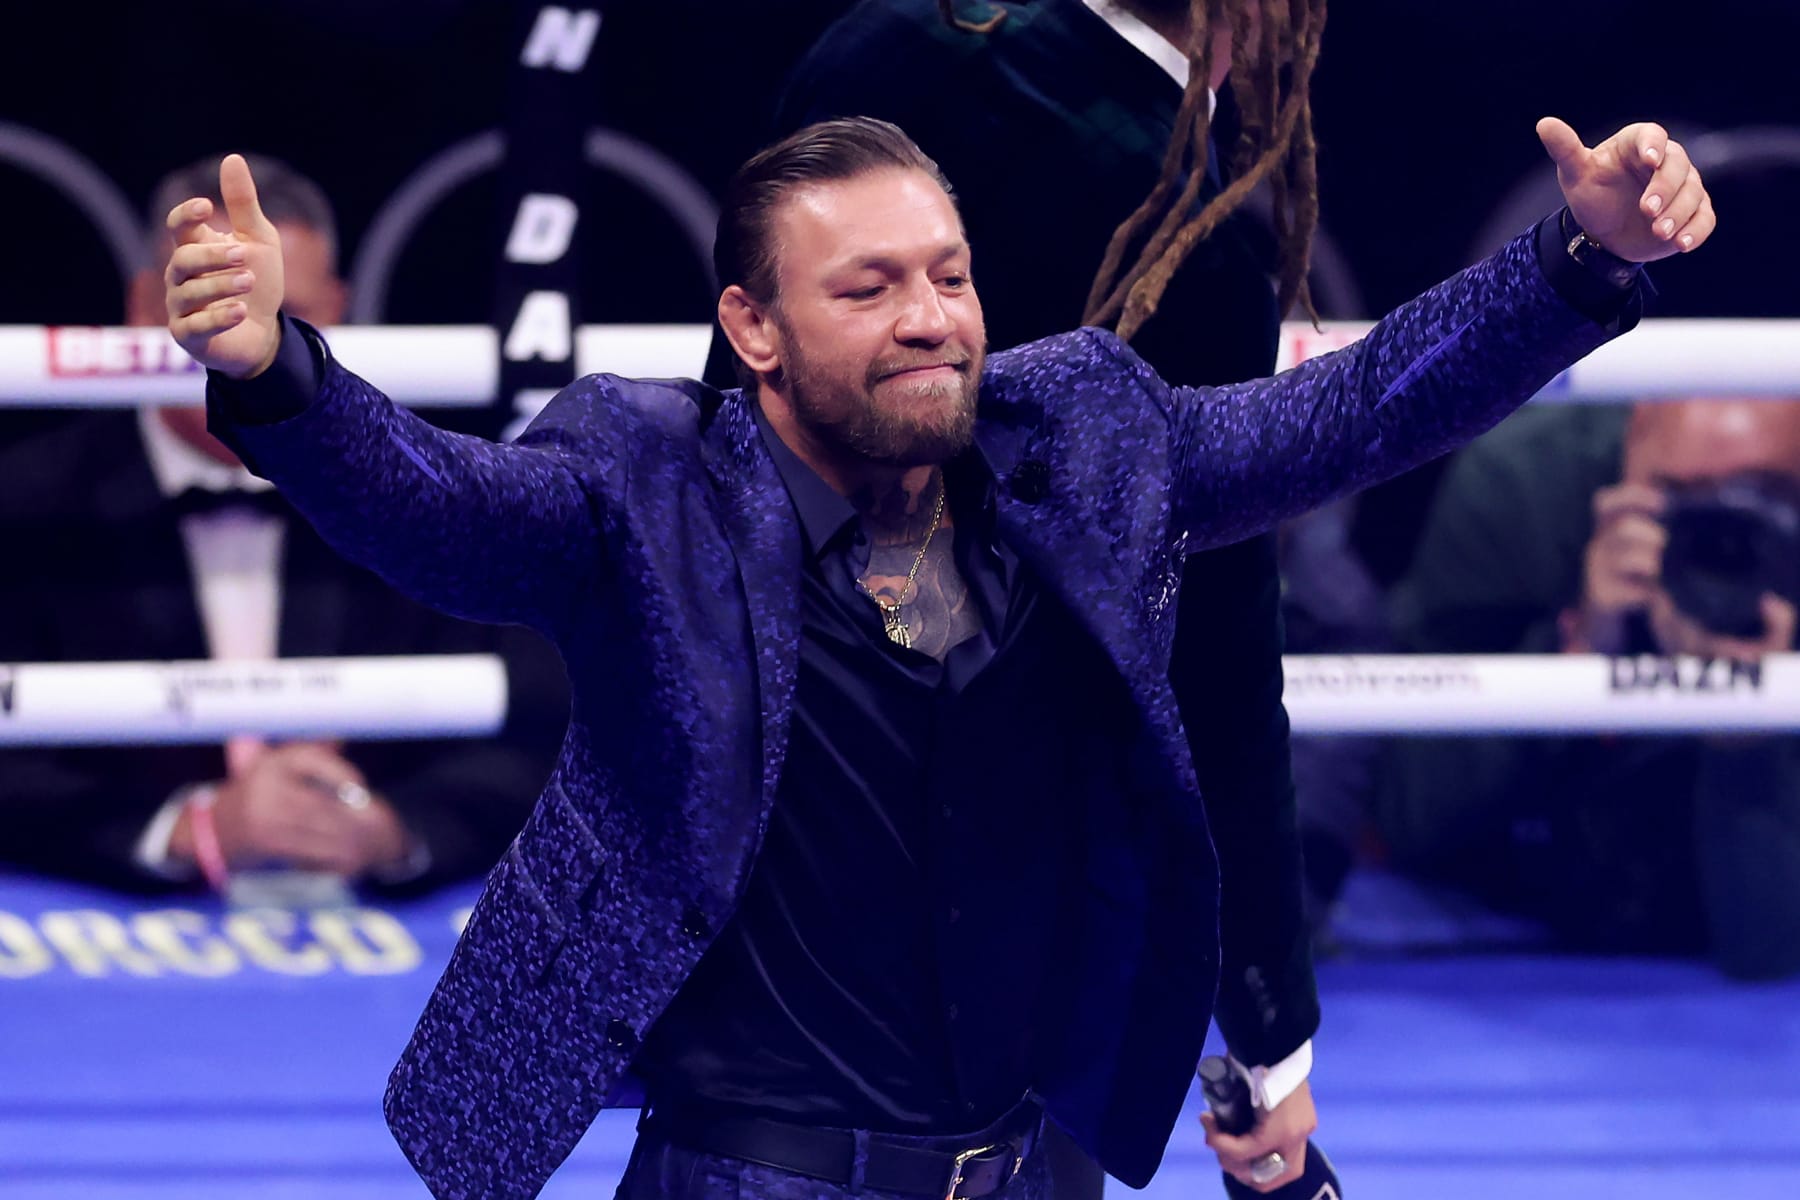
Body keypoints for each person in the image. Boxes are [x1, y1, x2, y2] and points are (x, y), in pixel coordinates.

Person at [165, 111, 1703, 1200]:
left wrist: (1572, 264)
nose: (931, 320)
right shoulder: (644, 490)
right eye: (870, 287)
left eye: (948, 275)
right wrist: (281, 376)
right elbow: (438, 510)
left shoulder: (1083, 444)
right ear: (752, 329)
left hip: (1035, 1171)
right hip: (749, 1177)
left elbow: (1355, 408)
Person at [736, 2, 1338, 1193]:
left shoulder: (886, 44)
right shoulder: (1181, 229)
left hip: (780, 821)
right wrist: (1266, 1030)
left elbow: (733, 431)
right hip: (1013, 862)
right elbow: (1215, 652)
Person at [0, 154, 565, 895]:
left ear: (337, 310)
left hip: (389, 957)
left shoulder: (425, 483)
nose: (242, 341)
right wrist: (187, 827)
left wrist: (392, 829)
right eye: (214, 299)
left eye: (283, 313)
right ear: (145, 305)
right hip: (82, 951)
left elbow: (538, 716)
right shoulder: (28, 502)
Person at [1383, 396, 1800, 981]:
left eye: (1759, 499)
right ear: (1628, 453)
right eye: (1676, 499)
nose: (1717, 537)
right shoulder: (1522, 485)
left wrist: (1749, 741)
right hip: (1509, 939)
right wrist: (1571, 655)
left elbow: (1772, 956)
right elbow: (1412, 818)